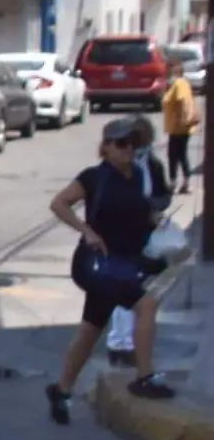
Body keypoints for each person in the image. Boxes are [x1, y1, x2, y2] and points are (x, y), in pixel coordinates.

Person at [45, 117, 178, 422]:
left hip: (121, 264)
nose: (128, 149)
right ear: (105, 147)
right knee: (146, 305)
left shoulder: (137, 177)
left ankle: (61, 389)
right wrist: (86, 230)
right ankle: (144, 378)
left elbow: (142, 215)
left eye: (133, 143)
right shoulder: (94, 177)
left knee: (91, 328)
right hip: (96, 264)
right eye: (121, 143)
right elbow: (59, 203)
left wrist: (157, 227)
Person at [104, 115, 165, 365]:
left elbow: (162, 193)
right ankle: (121, 344)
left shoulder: (151, 163)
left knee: (134, 290)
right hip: (122, 236)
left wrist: (154, 210)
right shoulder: (117, 167)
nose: (134, 146)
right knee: (127, 291)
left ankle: (123, 342)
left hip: (143, 234)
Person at [162, 60, 196, 196]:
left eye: (169, 70)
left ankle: (176, 183)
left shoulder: (179, 83)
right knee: (178, 155)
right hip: (177, 127)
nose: (166, 72)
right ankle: (181, 183)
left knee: (176, 155)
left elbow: (182, 100)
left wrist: (182, 118)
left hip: (179, 127)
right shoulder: (178, 84)